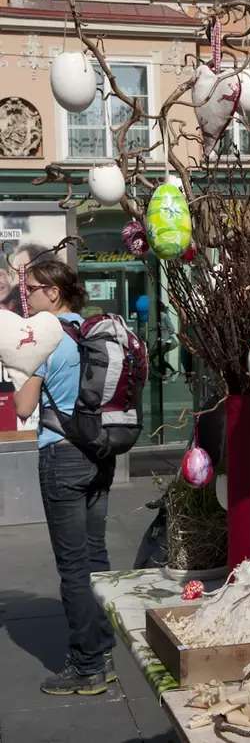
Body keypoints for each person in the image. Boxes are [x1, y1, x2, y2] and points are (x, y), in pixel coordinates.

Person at [13, 261, 116, 695]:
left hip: (61, 456)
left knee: (73, 567)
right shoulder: (95, 331)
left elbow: (22, 408)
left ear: (54, 293)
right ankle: (105, 645)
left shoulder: (46, 338)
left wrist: (23, 368)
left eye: (32, 291)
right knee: (96, 557)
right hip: (101, 452)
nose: (27, 300)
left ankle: (87, 665)